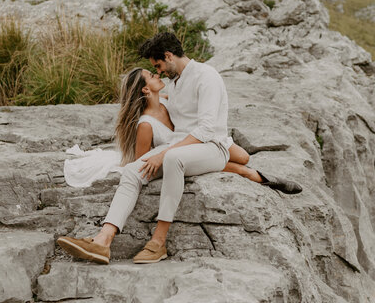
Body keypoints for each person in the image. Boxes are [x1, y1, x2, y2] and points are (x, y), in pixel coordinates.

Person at [58, 32, 301, 265]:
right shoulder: (172, 85)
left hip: (212, 146)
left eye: (158, 66)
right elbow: (155, 106)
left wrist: (163, 153)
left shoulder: (207, 77)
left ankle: (158, 241)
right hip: (183, 146)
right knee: (133, 171)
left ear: (169, 56)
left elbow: (206, 130)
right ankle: (103, 240)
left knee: (173, 157)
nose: (158, 72)